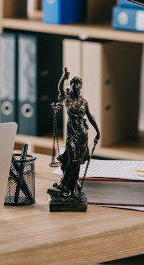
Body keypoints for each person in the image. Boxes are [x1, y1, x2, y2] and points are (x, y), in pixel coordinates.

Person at [53, 67, 100, 198]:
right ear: (71, 87)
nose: (76, 90)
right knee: (71, 158)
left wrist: (97, 131)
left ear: (80, 88)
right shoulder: (68, 100)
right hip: (71, 132)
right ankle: (65, 184)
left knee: (78, 160)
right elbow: (60, 89)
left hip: (82, 133)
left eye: (78, 88)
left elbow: (90, 117)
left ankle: (71, 187)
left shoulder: (84, 102)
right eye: (74, 88)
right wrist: (64, 77)